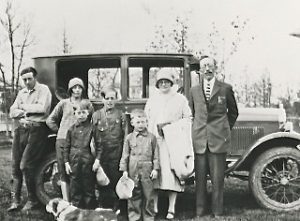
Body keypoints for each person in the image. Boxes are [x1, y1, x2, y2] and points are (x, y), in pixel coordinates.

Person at [189, 56, 239, 218]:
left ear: (215, 68)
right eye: (204, 66)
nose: (208, 69)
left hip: (218, 140)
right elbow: (193, 113)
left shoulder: (225, 88)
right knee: (200, 180)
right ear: (200, 70)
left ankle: (217, 211)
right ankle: (200, 211)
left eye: (210, 65)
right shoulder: (194, 90)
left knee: (218, 180)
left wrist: (224, 129)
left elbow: (233, 112)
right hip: (200, 140)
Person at [144, 68, 192, 220]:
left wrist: (171, 126)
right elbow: (146, 119)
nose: (164, 84)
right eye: (161, 82)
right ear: (157, 84)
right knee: (156, 173)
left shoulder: (180, 99)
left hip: (173, 142)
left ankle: (171, 208)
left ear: (172, 83)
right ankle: (156, 207)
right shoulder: (152, 100)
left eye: (167, 81)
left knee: (173, 174)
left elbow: (188, 118)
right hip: (156, 141)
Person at [8, 67, 52, 211]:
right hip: (21, 130)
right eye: (24, 79)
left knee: (26, 165)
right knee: (15, 167)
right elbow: (12, 111)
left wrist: (23, 108)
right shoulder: (21, 92)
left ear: (35, 77)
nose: (27, 82)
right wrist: (24, 110)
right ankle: (15, 201)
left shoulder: (43, 90)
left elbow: (42, 109)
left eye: (29, 79)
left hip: (37, 130)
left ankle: (33, 200)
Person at [46, 77, 93, 202]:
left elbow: (91, 120)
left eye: (79, 87)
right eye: (74, 88)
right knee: (63, 170)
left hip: (81, 142)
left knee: (80, 172)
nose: (77, 90)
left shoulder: (87, 104)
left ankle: (82, 202)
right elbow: (50, 120)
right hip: (62, 141)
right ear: (70, 89)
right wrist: (60, 131)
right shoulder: (63, 103)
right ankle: (67, 202)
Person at [119, 109, 159, 221]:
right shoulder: (129, 138)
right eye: (138, 122)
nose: (141, 125)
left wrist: (156, 169)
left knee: (149, 194)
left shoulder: (152, 138)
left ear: (147, 122)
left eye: (143, 122)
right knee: (133, 194)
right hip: (133, 169)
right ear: (132, 123)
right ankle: (134, 216)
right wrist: (124, 171)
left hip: (147, 169)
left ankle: (149, 216)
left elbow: (156, 155)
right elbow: (125, 155)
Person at [92, 87, 126, 212]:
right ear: (103, 99)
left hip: (116, 152)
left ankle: (117, 205)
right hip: (102, 153)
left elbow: (125, 135)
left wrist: (123, 155)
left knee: (116, 178)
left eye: (112, 98)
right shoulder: (97, 115)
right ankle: (102, 204)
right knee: (102, 179)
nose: (110, 101)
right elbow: (93, 136)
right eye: (107, 98)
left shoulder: (121, 115)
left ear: (116, 99)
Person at [63, 101, 96, 209]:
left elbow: (99, 147)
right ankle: (76, 213)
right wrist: (66, 162)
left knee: (88, 188)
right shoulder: (71, 129)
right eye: (78, 112)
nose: (81, 115)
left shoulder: (92, 129)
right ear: (75, 114)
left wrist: (97, 160)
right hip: (74, 162)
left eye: (83, 112)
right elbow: (66, 147)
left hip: (87, 161)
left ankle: (89, 213)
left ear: (88, 113)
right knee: (75, 188)